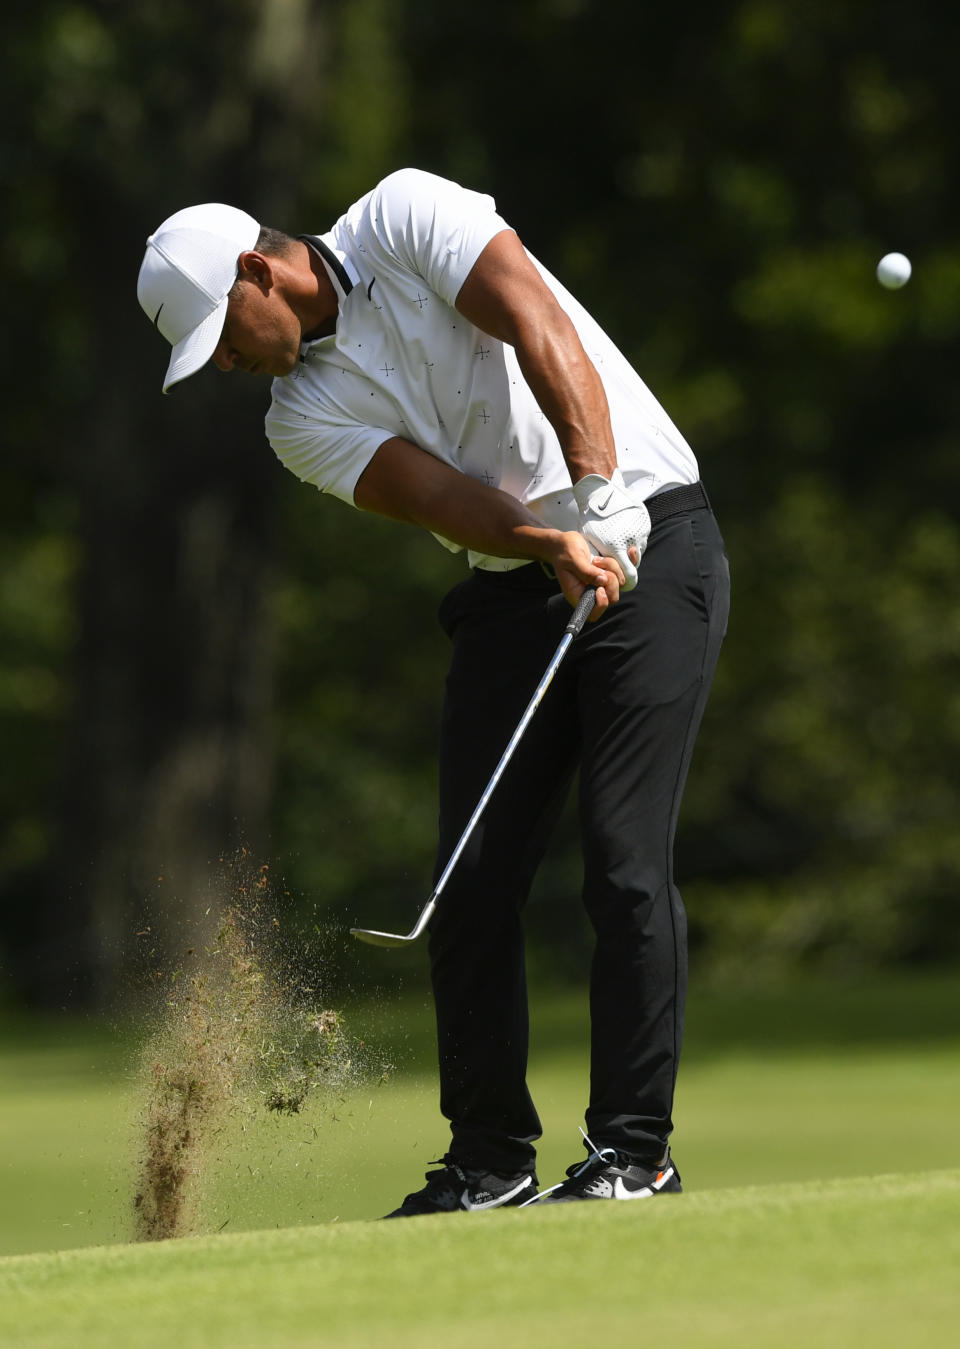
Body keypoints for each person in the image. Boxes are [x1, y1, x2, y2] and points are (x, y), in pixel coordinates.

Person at [137, 168, 729, 1214]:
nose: (228, 362)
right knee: (471, 879)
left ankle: (635, 1152)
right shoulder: (295, 418)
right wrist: (553, 539)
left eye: (223, 334)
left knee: (625, 864)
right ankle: (491, 1160)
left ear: (257, 270)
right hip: (517, 581)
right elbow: (441, 498)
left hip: (652, 541)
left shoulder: (402, 213)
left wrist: (597, 493)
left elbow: (536, 318)